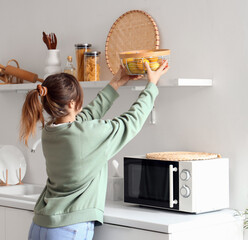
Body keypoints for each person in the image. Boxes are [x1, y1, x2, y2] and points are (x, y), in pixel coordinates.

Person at [20, 61, 169, 240]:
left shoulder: (50, 131)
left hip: (40, 226)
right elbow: (130, 122)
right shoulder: (86, 135)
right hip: (68, 228)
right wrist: (151, 86)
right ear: (71, 104)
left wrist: (115, 83)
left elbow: (84, 117)